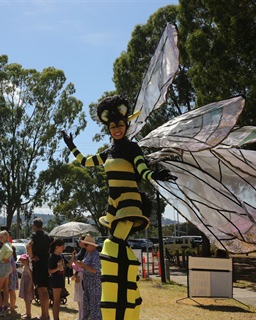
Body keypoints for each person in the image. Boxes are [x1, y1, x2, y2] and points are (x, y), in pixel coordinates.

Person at [62, 95, 176, 320]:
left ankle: (120, 293)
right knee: (116, 244)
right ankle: (124, 291)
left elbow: (142, 169)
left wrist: (153, 174)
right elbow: (86, 162)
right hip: (113, 206)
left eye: (121, 126)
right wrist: (72, 146)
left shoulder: (132, 148)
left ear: (126, 126)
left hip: (129, 203)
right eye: (113, 126)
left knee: (113, 244)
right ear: (109, 128)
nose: (117, 129)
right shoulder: (109, 152)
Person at [28, 218, 52, 320]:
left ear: (34, 226)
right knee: (45, 290)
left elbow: (28, 245)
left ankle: (43, 315)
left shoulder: (34, 235)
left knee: (41, 289)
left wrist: (32, 256)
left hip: (38, 264)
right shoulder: (47, 236)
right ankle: (46, 314)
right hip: (46, 263)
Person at [74, 236, 102, 320]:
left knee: (95, 308)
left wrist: (83, 265)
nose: (84, 247)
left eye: (86, 245)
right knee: (87, 307)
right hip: (87, 285)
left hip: (94, 285)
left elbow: (95, 270)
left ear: (92, 245)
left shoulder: (96, 255)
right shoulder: (88, 253)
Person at [49, 239, 75, 320]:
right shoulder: (52, 257)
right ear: (57, 247)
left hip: (61, 281)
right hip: (55, 281)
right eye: (62, 247)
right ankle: (56, 318)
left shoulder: (61, 256)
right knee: (56, 301)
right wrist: (57, 268)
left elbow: (69, 265)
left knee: (59, 301)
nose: (63, 248)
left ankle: (57, 317)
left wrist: (73, 256)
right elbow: (50, 271)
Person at [0, 230, 13, 316]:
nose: (0, 238)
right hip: (7, 268)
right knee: (5, 289)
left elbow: (10, 251)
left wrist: (5, 258)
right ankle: (5, 307)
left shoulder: (5, 245)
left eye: (2, 236)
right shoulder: (6, 244)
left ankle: (0, 309)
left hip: (4, 268)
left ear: (6, 236)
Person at [18, 254, 33, 320]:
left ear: (27, 260)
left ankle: (29, 314)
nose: (22, 261)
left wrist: (30, 286)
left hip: (27, 285)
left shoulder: (27, 268)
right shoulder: (24, 267)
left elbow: (31, 278)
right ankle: (27, 312)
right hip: (24, 285)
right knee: (25, 299)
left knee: (27, 300)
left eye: (24, 260)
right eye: (21, 260)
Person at [7, 245, 19, 315]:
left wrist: (9, 278)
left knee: (11, 291)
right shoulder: (11, 257)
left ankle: (12, 307)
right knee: (10, 291)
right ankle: (11, 306)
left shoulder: (10, 257)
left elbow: (11, 268)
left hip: (11, 275)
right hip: (11, 275)